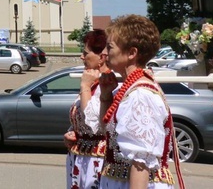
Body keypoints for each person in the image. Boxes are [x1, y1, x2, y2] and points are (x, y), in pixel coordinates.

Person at [97, 15, 183, 188]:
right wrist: (106, 95)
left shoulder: (140, 95)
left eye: (110, 47)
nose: (105, 53)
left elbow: (140, 163)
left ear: (131, 53)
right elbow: (104, 129)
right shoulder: (130, 88)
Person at [64, 29, 109, 189]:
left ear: (101, 58)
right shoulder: (91, 82)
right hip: (80, 158)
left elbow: (94, 124)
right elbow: (81, 120)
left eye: (86, 53)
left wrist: (84, 86)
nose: (82, 57)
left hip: (96, 161)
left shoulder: (108, 86)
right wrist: (73, 132)